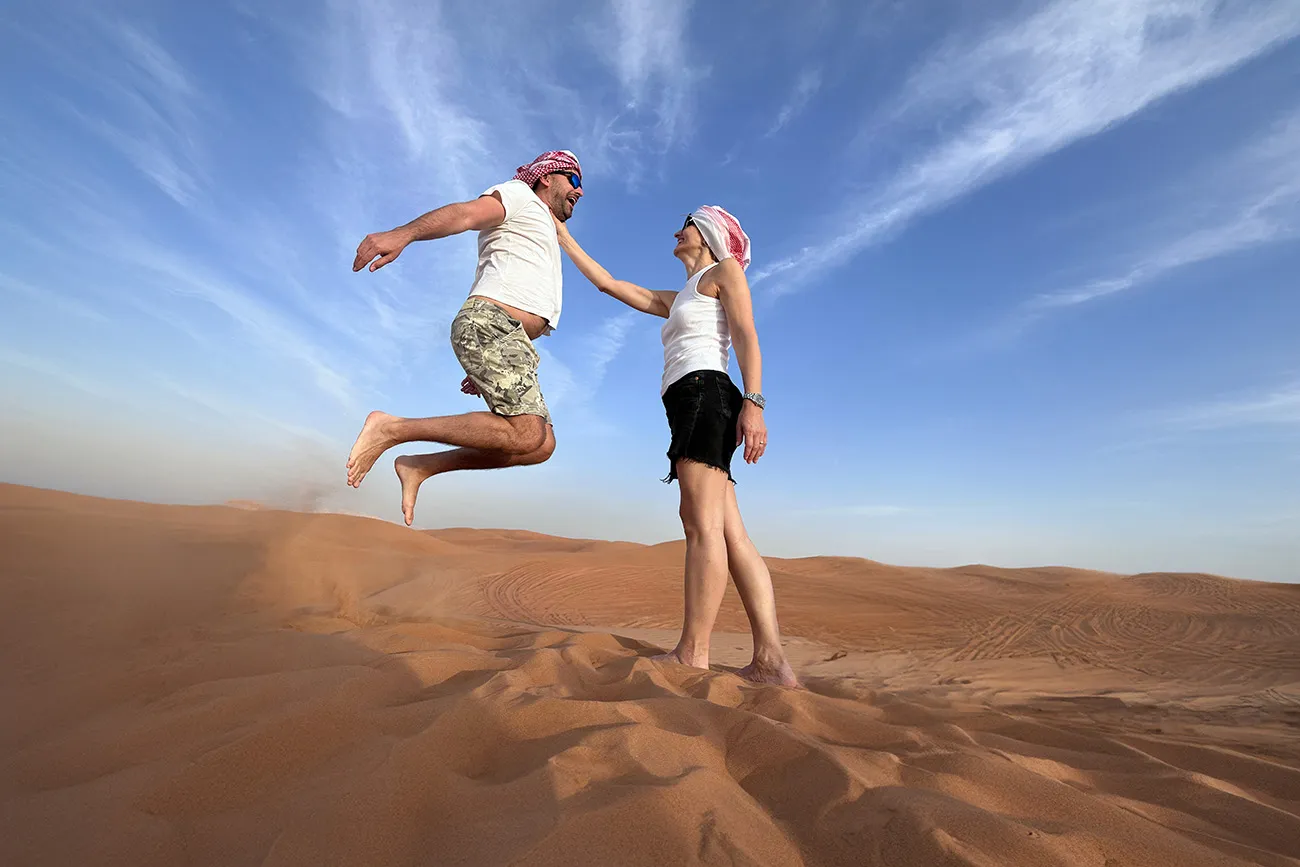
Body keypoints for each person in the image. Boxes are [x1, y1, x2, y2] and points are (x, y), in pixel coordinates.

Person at [554, 206, 799, 687]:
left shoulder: (723, 272)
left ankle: (694, 653)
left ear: (705, 235)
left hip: (706, 396)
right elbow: (609, 284)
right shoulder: (683, 294)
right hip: (691, 401)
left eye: (685, 224)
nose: (675, 231)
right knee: (731, 535)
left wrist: (756, 403)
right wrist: (564, 238)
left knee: (700, 526)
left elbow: (748, 335)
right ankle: (771, 661)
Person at [345, 151, 584, 526]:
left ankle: (421, 465)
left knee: (541, 445)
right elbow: (467, 214)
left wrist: (490, 362)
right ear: (546, 178)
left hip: (510, 336)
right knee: (526, 432)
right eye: (573, 179)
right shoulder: (519, 196)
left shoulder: (542, 224)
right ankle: (391, 428)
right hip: (490, 322)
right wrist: (403, 234)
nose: (580, 191)